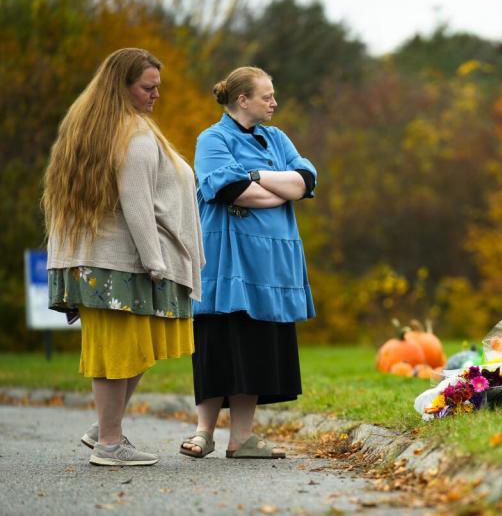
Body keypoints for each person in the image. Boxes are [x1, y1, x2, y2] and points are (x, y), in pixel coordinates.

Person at [44, 48, 204, 466]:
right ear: (121, 86)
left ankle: (104, 427)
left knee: (132, 348)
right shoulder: (130, 135)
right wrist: (156, 261)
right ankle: (110, 445)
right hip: (121, 261)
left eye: (158, 87)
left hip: (96, 259)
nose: (156, 95)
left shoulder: (93, 127)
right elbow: (136, 203)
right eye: (147, 87)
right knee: (118, 352)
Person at [181, 67, 316, 459]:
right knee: (218, 337)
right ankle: (203, 432)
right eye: (267, 96)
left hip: (271, 259)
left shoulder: (277, 138)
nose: (274, 102)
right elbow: (231, 190)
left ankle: (241, 438)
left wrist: (258, 175)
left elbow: (305, 179)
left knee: (257, 341)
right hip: (227, 258)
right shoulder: (212, 139)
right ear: (243, 100)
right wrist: (278, 189)